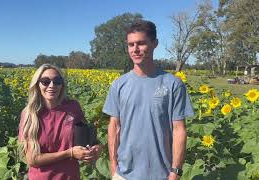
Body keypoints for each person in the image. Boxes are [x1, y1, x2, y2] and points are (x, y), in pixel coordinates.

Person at [103, 20, 194, 180]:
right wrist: (113, 167)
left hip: (162, 175)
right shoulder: (119, 85)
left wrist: (175, 172)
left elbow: (179, 130)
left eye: (141, 43)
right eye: (131, 45)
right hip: (123, 174)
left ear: (154, 44)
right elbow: (114, 126)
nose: (135, 49)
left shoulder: (173, 84)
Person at [18, 64, 102, 180]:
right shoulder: (30, 114)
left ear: (62, 85)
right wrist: (70, 153)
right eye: (45, 81)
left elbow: (86, 139)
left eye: (57, 81)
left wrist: (96, 148)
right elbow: (33, 159)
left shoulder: (73, 107)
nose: (52, 85)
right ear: (37, 84)